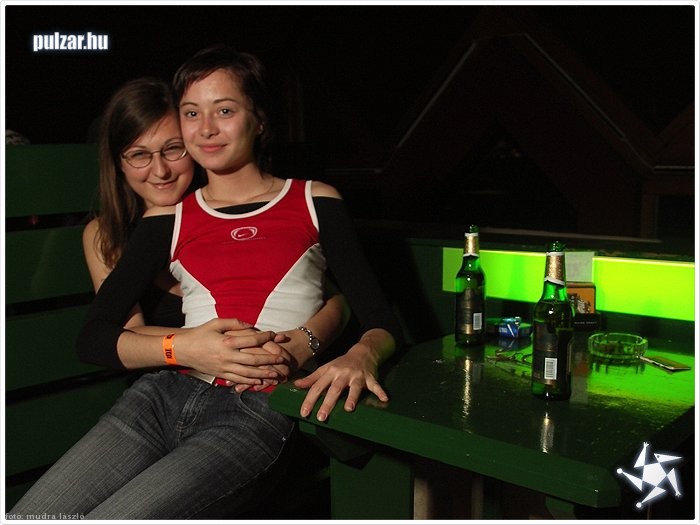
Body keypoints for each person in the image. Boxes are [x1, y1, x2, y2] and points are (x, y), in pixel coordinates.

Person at [9, 76, 351, 519]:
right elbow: (117, 336)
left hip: (244, 404)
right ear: (118, 163)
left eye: (173, 149)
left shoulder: (232, 217)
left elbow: (333, 296)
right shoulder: (109, 235)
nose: (160, 171)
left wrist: (307, 338)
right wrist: (192, 347)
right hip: (161, 395)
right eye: (138, 155)